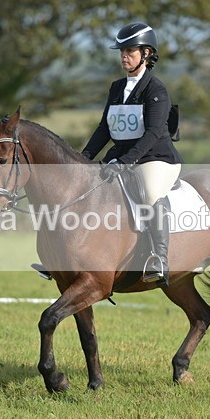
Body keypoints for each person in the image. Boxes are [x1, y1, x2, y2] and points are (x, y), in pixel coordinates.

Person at [81, 22, 183, 286]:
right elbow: (105, 128)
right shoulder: (116, 88)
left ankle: (159, 258)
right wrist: (83, 159)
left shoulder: (156, 90)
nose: (124, 56)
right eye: (121, 52)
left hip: (155, 159)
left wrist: (125, 162)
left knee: (149, 191)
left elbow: (152, 133)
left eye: (130, 51)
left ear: (147, 54)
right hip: (122, 158)